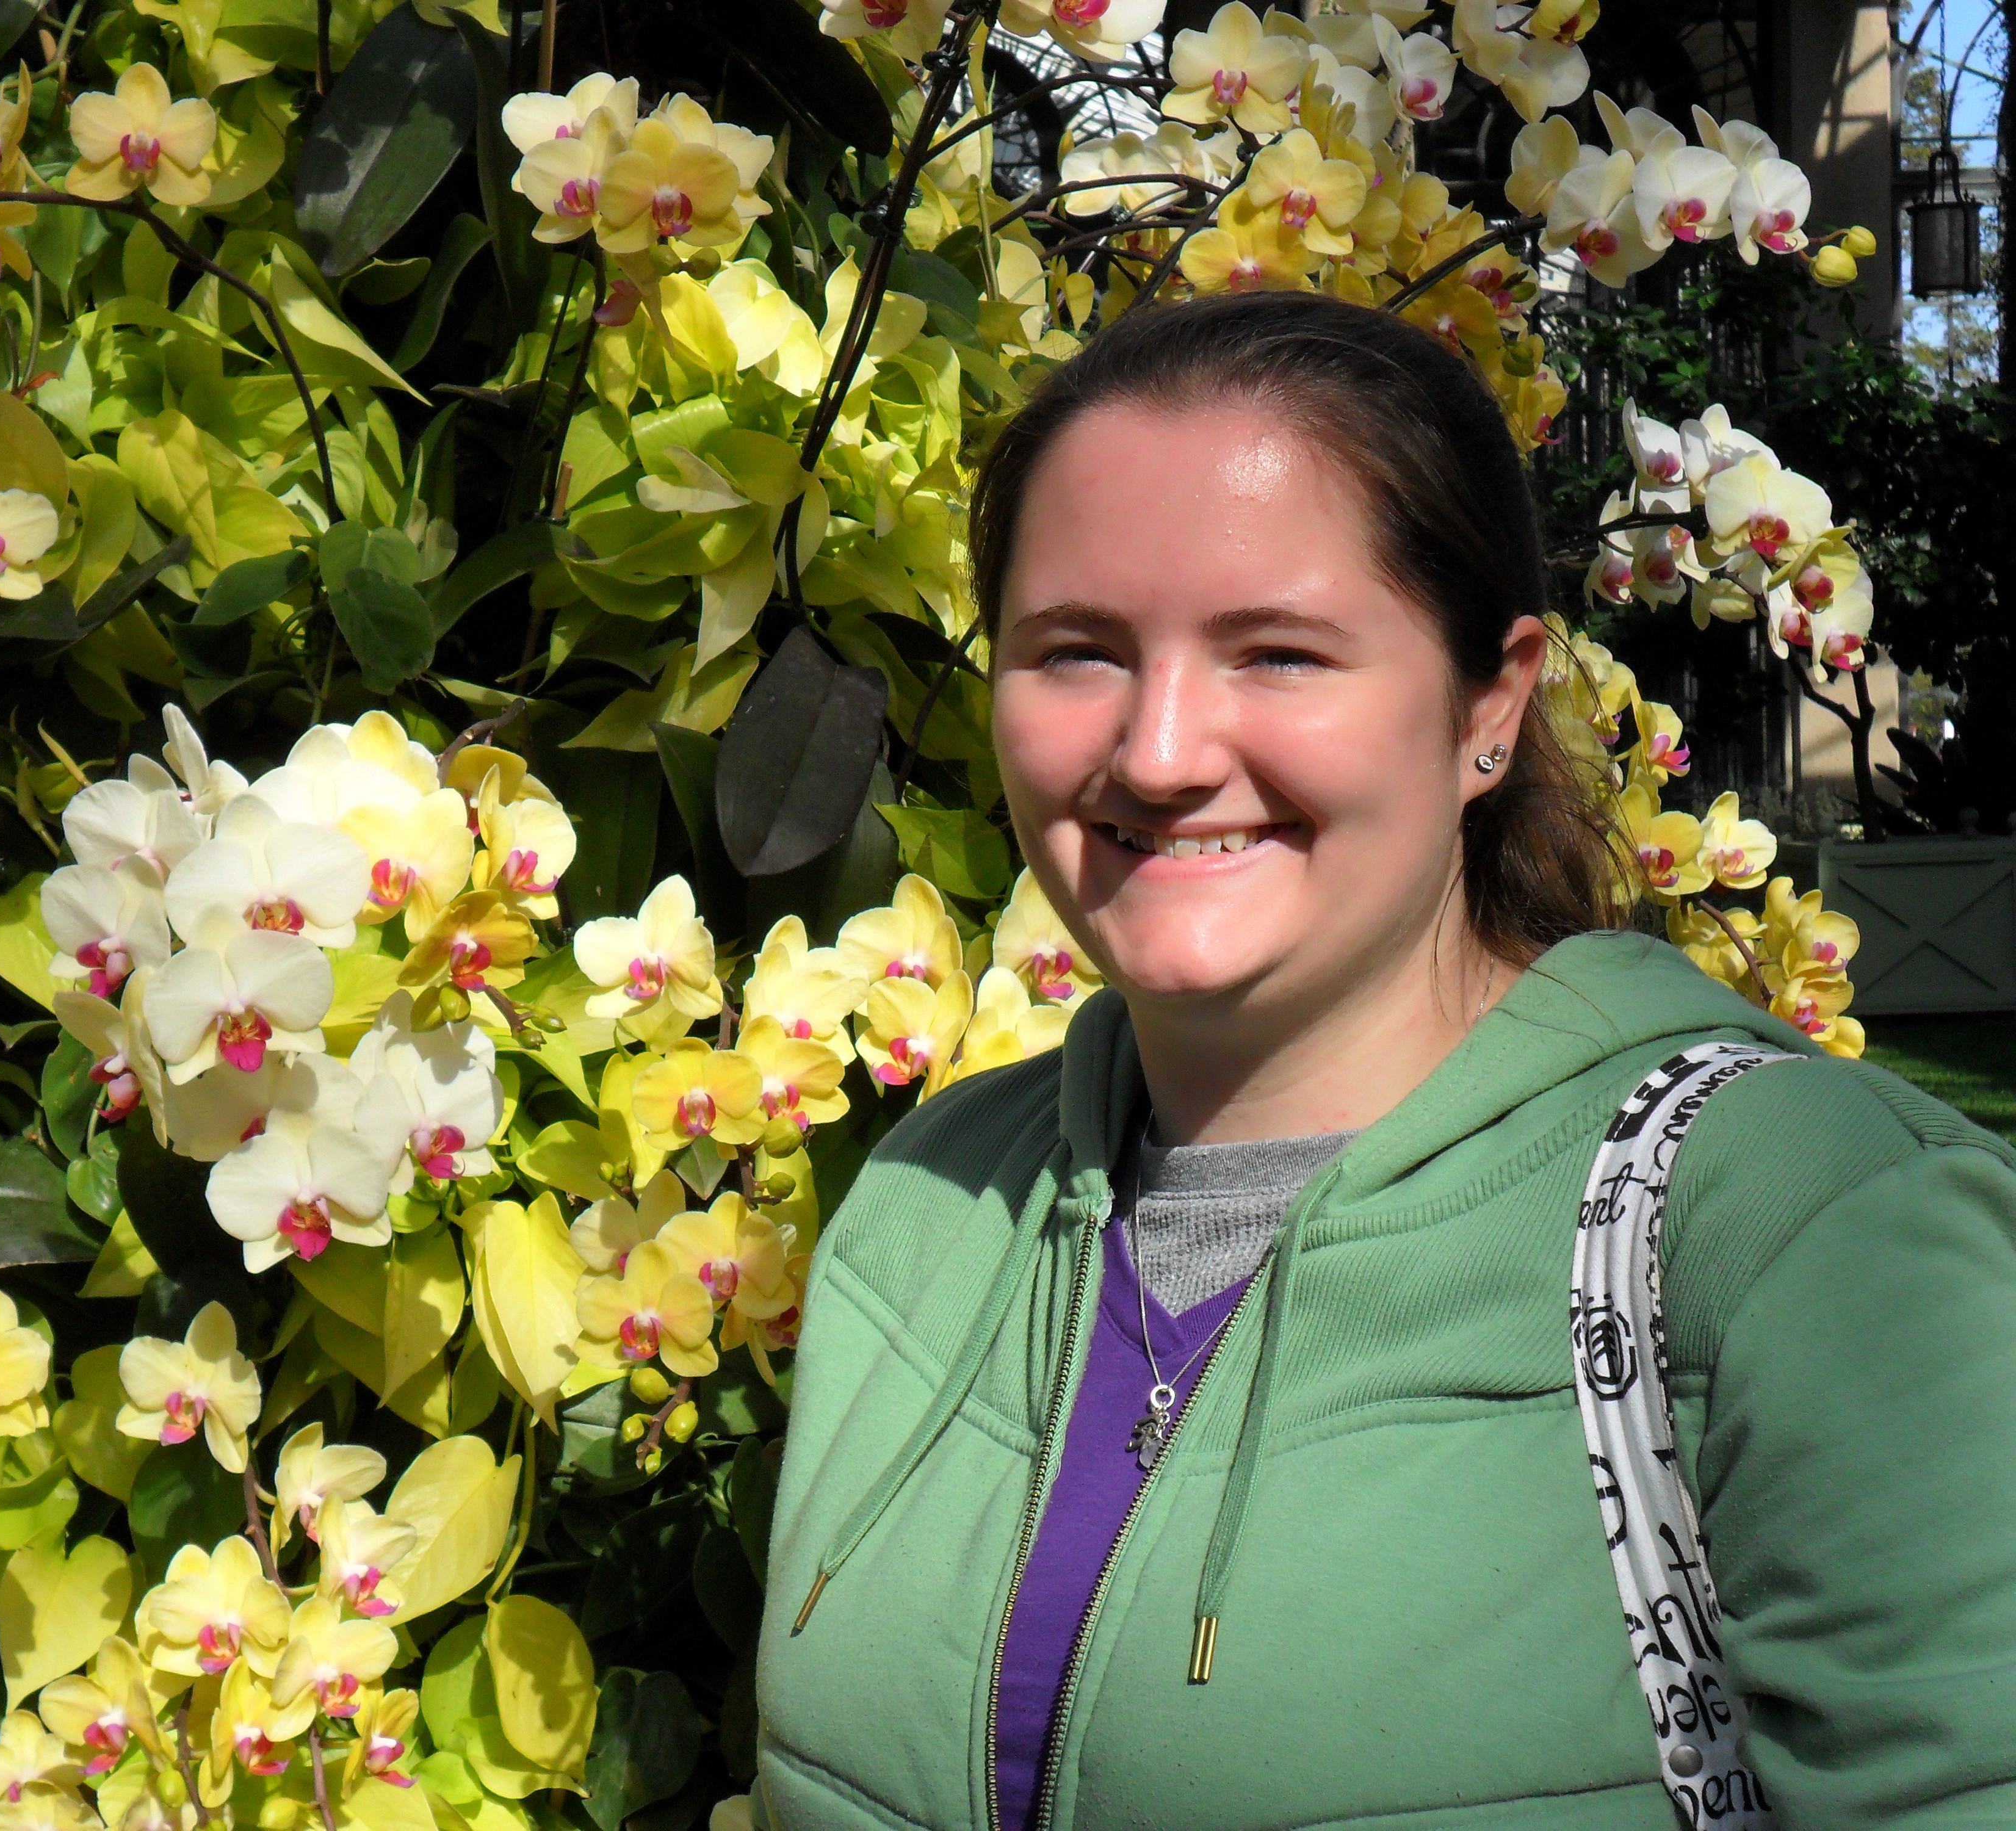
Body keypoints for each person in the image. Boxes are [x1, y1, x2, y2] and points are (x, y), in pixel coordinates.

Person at [752, 292, 2016, 1831]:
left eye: (1275, 654)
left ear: (1486, 706)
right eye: (1074, 651)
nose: (1156, 752)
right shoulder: (930, 1205)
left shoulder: (1799, 1235)